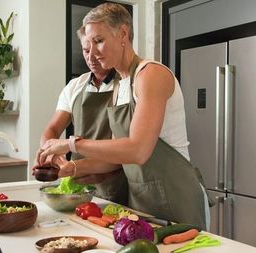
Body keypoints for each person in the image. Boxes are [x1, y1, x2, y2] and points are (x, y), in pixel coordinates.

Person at [37, 3, 210, 228]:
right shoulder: (121, 86)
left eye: (99, 41)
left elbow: (138, 150)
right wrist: (73, 169)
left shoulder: (151, 74)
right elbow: (118, 156)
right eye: (88, 44)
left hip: (178, 200)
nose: (93, 52)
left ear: (123, 34)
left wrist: (71, 145)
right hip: (141, 204)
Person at [35, 26, 128, 205]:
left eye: (96, 47)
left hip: (116, 182)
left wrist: (72, 164)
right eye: (86, 50)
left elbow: (123, 149)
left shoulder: (125, 84)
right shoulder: (75, 86)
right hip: (78, 185)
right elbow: (52, 129)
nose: (90, 57)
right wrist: (52, 155)